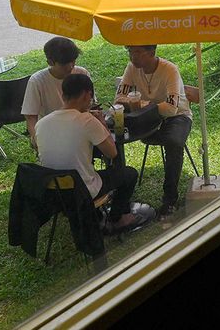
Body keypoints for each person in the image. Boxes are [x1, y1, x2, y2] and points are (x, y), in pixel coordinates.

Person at [36, 74, 152, 233]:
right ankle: (118, 219)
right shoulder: (86, 120)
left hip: (54, 192)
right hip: (82, 191)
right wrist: (102, 123)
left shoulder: (41, 124)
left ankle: (96, 215)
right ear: (87, 95)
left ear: (63, 95)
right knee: (129, 174)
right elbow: (112, 153)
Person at [115, 45, 192, 218]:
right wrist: (146, 106)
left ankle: (170, 197)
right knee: (114, 135)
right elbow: (119, 98)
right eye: (130, 52)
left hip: (178, 116)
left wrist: (141, 105)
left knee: (173, 142)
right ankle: (118, 192)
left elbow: (171, 109)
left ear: (151, 53)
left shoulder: (170, 70)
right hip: (149, 117)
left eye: (137, 52)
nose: (132, 57)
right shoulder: (132, 68)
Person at [21, 37, 90, 153]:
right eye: (65, 64)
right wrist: (37, 139)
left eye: (73, 61)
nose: (71, 66)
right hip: (51, 132)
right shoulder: (37, 81)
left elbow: (89, 105)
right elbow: (30, 117)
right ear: (50, 62)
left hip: (79, 129)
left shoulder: (82, 74)